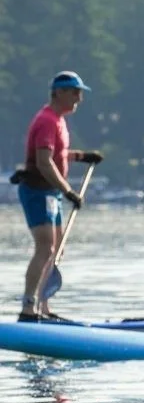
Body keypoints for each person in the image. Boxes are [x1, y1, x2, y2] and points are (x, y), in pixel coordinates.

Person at [14, 71, 102, 322]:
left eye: (80, 93)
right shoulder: (46, 121)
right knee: (45, 247)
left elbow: (58, 155)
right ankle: (28, 309)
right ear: (59, 92)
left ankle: (43, 307)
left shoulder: (59, 121)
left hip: (51, 193)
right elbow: (43, 162)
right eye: (75, 92)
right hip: (37, 190)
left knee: (56, 250)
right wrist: (69, 191)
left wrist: (82, 156)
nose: (79, 98)